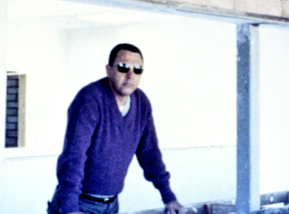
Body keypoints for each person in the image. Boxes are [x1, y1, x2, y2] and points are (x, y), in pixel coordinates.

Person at [48, 43, 186, 214]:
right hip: (79, 204)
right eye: (123, 67)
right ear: (109, 69)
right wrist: (70, 209)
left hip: (112, 205)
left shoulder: (141, 102)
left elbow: (150, 154)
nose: (130, 75)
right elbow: (73, 157)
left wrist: (169, 198)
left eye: (137, 69)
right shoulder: (90, 98)